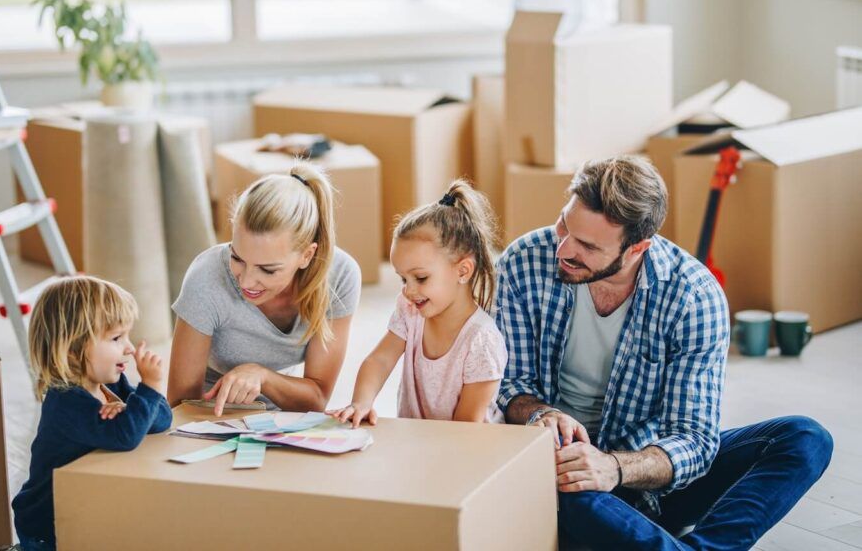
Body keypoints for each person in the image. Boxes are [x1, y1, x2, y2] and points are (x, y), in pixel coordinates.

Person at [495, 155, 833, 550]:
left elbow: (694, 440)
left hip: (644, 474)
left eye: (586, 245)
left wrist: (615, 467)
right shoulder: (522, 263)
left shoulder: (693, 295)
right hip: (562, 473)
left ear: (637, 247)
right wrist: (541, 412)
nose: (563, 248)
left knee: (806, 438)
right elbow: (510, 384)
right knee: (563, 487)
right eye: (564, 225)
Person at [167, 163, 361, 416]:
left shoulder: (339, 275)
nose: (246, 282)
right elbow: (180, 404)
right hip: (209, 411)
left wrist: (263, 377)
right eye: (236, 258)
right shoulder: (207, 276)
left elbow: (316, 399)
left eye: (267, 270)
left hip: (282, 412)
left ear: (306, 255)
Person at [12, 276, 171, 551]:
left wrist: (135, 405)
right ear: (73, 349)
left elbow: (161, 421)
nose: (130, 348)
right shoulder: (65, 401)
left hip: (84, 508)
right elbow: (127, 436)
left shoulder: (109, 385)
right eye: (116, 338)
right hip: (46, 528)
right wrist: (150, 387)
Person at [330, 180, 507, 427]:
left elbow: (467, 428)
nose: (409, 290)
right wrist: (361, 402)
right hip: (421, 445)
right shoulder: (410, 309)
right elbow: (379, 360)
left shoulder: (482, 340)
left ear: (463, 271)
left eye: (421, 278)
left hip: (466, 450)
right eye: (403, 278)